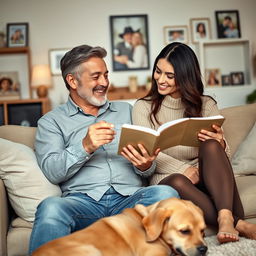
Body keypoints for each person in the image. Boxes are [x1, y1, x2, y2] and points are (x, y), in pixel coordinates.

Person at [28, 44, 179, 254]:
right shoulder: (51, 122)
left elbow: (146, 165)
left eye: (106, 75)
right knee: (51, 207)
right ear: (72, 81)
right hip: (83, 204)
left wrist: (146, 165)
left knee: (165, 193)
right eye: (96, 76)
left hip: (130, 201)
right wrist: (85, 146)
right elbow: (52, 172)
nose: (104, 83)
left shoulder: (126, 110)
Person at [132, 42, 256, 244]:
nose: (160, 80)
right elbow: (148, 150)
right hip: (167, 177)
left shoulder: (206, 104)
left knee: (211, 145)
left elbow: (222, 157)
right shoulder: (142, 107)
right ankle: (240, 224)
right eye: (158, 71)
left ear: (185, 76)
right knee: (176, 180)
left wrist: (221, 144)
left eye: (169, 76)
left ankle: (226, 218)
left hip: (207, 178)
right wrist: (183, 169)